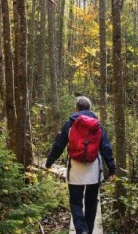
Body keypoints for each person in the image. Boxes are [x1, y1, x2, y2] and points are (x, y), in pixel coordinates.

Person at [45, 96, 116, 234]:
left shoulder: (70, 124)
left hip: (75, 169)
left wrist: (49, 162)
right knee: (91, 202)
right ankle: (88, 231)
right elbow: (106, 147)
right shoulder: (97, 125)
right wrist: (112, 168)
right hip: (94, 170)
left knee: (75, 202)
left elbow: (59, 145)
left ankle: (81, 230)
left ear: (76, 109)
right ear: (90, 109)